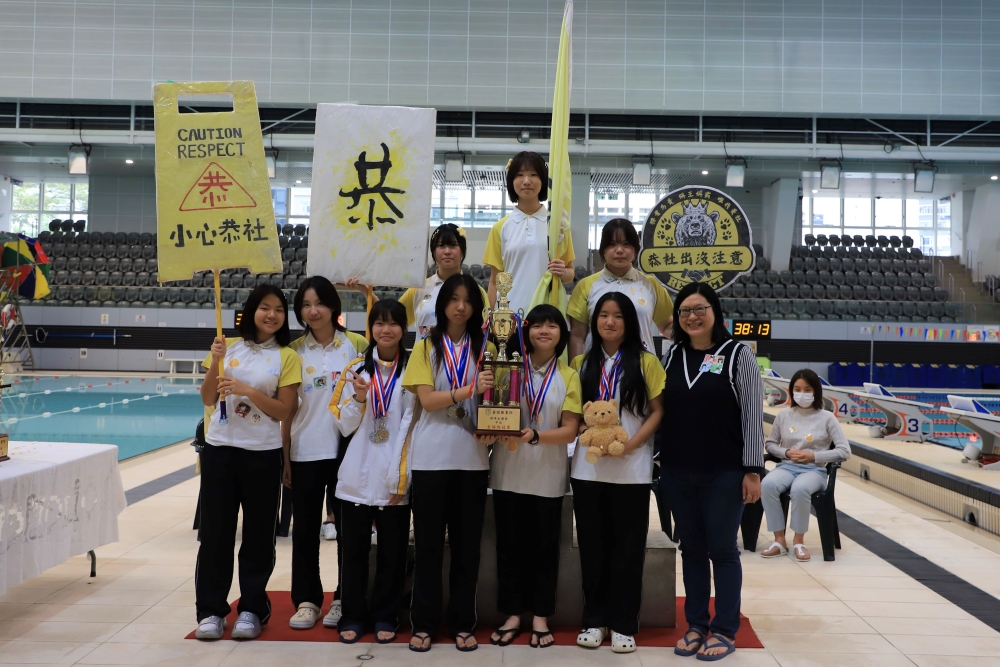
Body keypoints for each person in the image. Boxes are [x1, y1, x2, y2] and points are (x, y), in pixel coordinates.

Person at [659, 282, 764, 661]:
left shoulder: (738, 354)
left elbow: (753, 414)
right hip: (677, 470)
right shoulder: (672, 355)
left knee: (721, 549)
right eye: (685, 311)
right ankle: (696, 624)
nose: (692, 317)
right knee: (691, 549)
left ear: (715, 311)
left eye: (699, 309)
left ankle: (724, 629)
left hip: (724, 472)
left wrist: (752, 470)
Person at [194, 285, 301, 641]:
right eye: (265, 307)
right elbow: (208, 397)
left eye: (279, 309)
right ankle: (210, 610)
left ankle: (252, 609)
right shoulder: (227, 347)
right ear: (252, 310)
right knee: (216, 534)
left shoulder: (286, 356)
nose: (272, 315)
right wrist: (216, 360)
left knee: (258, 536)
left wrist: (248, 391)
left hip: (263, 454)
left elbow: (283, 411)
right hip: (220, 451)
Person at [401, 273, 495, 653]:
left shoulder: (487, 346)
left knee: (466, 548)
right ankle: (423, 623)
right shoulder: (426, 346)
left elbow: (497, 400)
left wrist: (495, 428)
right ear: (442, 304)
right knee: (427, 547)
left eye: (468, 300)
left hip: (473, 458)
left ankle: (462, 622)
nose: (460, 306)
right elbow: (427, 400)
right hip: (431, 457)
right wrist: (469, 389)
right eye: (454, 299)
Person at [482, 304, 582, 649]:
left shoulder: (569, 375)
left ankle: (541, 615)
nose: (544, 331)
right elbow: (493, 411)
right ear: (526, 332)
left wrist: (536, 436)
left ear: (561, 334)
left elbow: (570, 429)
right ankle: (512, 614)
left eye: (552, 325)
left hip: (548, 476)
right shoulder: (509, 367)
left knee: (544, 550)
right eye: (537, 325)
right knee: (509, 548)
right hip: (507, 472)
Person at [569, 292, 665, 654]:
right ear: (594, 321)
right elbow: (573, 414)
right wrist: (586, 432)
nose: (609, 322)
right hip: (588, 470)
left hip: (632, 470)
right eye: (603, 315)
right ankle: (594, 620)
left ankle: (624, 624)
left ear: (630, 323)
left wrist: (632, 444)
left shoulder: (646, 362)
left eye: (618, 316)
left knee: (628, 550)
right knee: (592, 549)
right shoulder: (580, 363)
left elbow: (658, 410)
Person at [282, 276, 369, 631]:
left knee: (350, 532)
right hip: (305, 452)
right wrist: (285, 456)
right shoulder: (293, 351)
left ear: (334, 306)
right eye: (305, 304)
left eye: (319, 303)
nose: (313, 310)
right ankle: (307, 600)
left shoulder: (356, 345)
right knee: (304, 531)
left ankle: (344, 598)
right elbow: (287, 410)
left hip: (347, 452)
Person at [330, 300, 416, 644]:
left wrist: (402, 475)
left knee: (393, 554)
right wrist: (360, 399)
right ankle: (352, 615)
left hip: (395, 475)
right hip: (356, 476)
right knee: (352, 553)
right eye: (379, 323)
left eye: (393, 323)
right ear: (371, 328)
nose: (386, 329)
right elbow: (343, 423)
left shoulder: (414, 369)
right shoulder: (355, 369)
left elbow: (414, 424)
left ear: (403, 328)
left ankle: (385, 615)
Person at [760, 369, 851, 562]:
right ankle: (779, 540)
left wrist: (813, 456)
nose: (802, 393)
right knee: (767, 485)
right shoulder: (784, 415)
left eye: (807, 389)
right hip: (786, 467)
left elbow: (844, 451)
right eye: (797, 389)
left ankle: (798, 541)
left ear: (816, 391)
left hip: (814, 471)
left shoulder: (827, 418)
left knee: (800, 489)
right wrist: (786, 453)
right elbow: (771, 444)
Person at [483, 151, 575, 313]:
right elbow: (494, 281)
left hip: (546, 315)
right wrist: (491, 317)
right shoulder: (500, 227)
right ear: (512, 181)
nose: (526, 181)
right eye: (520, 175)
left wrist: (562, 272)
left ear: (543, 180)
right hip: (509, 316)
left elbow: (570, 273)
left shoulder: (558, 225)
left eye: (533, 174)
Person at [568, 218, 673, 359]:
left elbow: (667, 326)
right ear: (603, 249)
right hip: (597, 368)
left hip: (642, 367)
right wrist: (576, 370)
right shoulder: (585, 285)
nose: (619, 250)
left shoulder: (651, 284)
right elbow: (577, 336)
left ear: (636, 249)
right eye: (612, 244)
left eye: (626, 244)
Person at [399, 223, 489, 340]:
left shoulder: (476, 291)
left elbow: (486, 330)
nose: (447, 251)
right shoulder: (419, 289)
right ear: (433, 251)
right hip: (422, 352)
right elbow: (391, 318)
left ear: (462, 250)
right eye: (441, 245)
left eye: (453, 245)